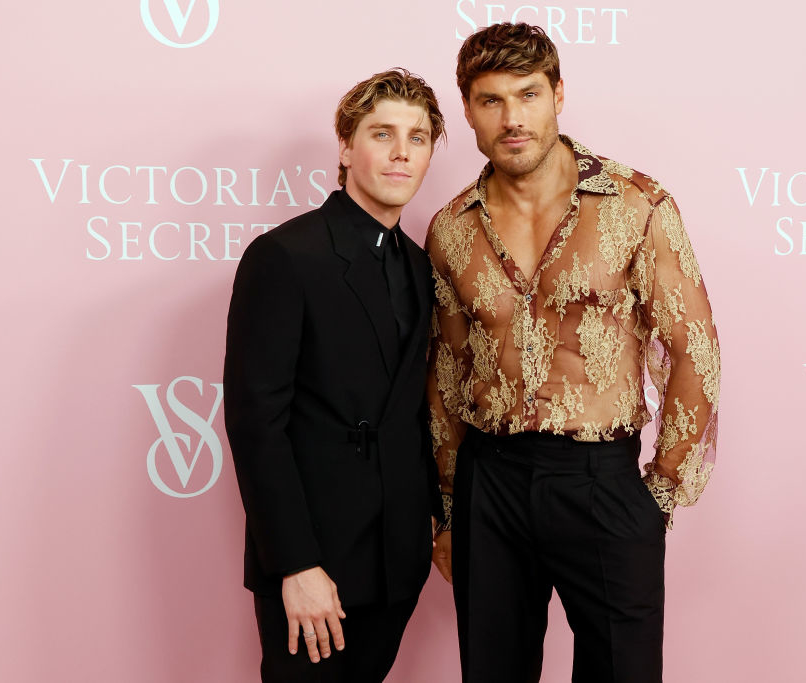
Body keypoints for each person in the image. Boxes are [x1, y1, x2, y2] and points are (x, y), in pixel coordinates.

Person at [426, 23, 720, 682]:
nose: (513, 118)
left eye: (528, 95)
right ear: (468, 110)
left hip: (601, 475)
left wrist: (661, 493)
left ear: (559, 94)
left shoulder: (637, 203)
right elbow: (446, 374)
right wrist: (449, 508)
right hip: (489, 480)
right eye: (491, 100)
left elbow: (692, 343)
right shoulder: (449, 227)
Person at [224, 68, 446, 683]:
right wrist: (295, 565)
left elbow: (415, 410)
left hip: (397, 561)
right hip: (314, 563)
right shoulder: (284, 256)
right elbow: (254, 423)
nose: (402, 152)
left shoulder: (421, 265)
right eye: (382, 134)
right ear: (346, 148)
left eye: (419, 137)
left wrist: (434, 521)